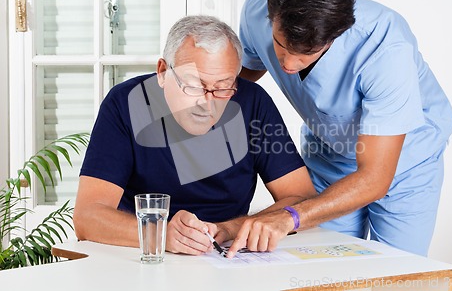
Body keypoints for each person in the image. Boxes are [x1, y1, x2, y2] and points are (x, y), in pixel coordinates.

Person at [229, 0, 452, 257]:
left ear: (334, 36)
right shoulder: (258, 7)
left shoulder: (385, 47)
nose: (288, 65)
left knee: (398, 273)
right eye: (281, 46)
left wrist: (291, 216)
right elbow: (236, 85)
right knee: (323, 265)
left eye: (306, 54)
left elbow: (375, 177)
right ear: (272, 18)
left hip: (404, 163)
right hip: (329, 153)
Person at [73, 15, 316, 255]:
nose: (206, 103)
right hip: (142, 252)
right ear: (162, 72)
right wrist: (161, 234)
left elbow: (302, 199)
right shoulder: (125, 103)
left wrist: (230, 228)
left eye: (222, 87)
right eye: (194, 86)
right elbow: (87, 217)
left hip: (225, 255)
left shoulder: (253, 102)